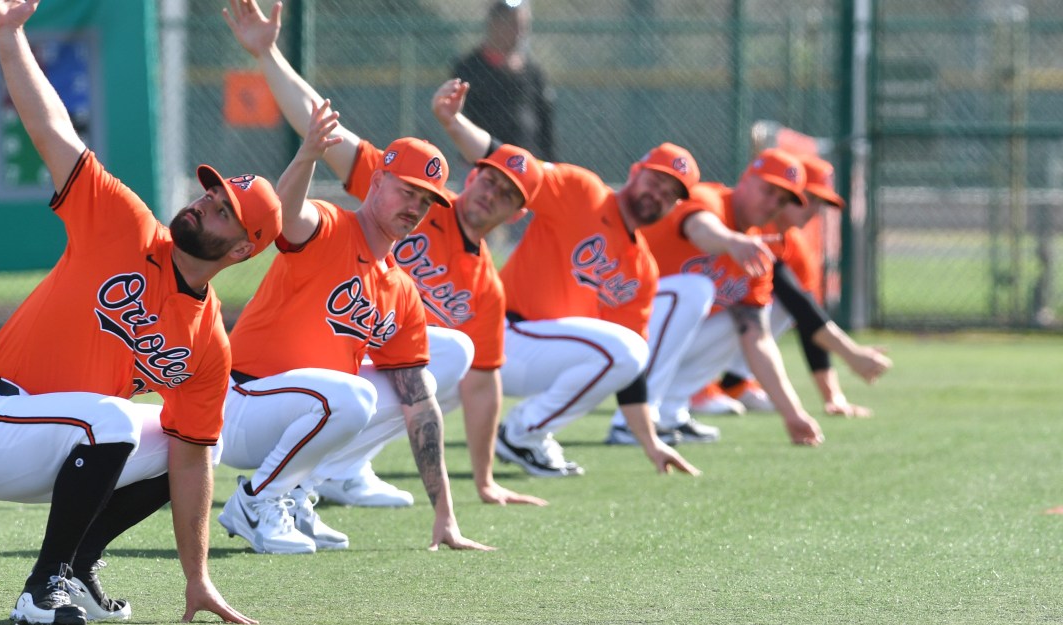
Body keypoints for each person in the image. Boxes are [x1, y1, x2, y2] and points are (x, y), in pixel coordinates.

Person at [0, 2, 279, 624]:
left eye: (223, 210)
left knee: (202, 440)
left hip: (64, 443)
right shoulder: (123, 224)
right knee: (114, 421)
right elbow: (51, 129)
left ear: (243, 250)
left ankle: (75, 566)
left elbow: (192, 458)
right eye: (210, 193)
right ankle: (40, 591)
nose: (204, 204)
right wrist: (10, 34)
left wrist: (197, 578)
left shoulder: (207, 341)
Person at [220, 2, 551, 507]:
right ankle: (303, 474)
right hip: (298, 359)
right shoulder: (397, 184)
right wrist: (267, 55)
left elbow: (481, 387)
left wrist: (482, 480)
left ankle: (340, 468)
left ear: (517, 214)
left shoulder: (483, 283)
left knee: (451, 356)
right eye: (490, 178)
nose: (491, 193)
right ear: (474, 170)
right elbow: (320, 126)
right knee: (399, 363)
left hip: (365, 345)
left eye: (508, 195)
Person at [430, 80, 701, 478]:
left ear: (676, 206)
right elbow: (505, 163)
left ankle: (528, 433)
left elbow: (629, 371)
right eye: (655, 180)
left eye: (670, 192)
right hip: (501, 333)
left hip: (535, 360)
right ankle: (523, 434)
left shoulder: (642, 269)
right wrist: (453, 123)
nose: (658, 193)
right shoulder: (581, 192)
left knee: (629, 353)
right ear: (635, 171)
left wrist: (650, 442)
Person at [605, 149, 826, 448]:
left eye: (783, 200)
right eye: (769, 190)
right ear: (746, 180)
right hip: (611, 317)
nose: (774, 203)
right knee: (696, 291)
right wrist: (730, 241)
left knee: (748, 322)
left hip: (647, 332)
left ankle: (669, 411)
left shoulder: (754, 252)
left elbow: (758, 340)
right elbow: (699, 228)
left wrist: (793, 414)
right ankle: (632, 421)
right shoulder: (711, 200)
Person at [691, 154, 892, 418]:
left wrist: (833, 397)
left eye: (820, 203)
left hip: (697, 324)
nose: (813, 210)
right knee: (698, 293)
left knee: (770, 308)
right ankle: (695, 389)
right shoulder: (722, 208)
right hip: (660, 317)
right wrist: (851, 353)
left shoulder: (791, 245)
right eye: (809, 199)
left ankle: (735, 383)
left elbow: (806, 313)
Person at [452, 0, 554, 161]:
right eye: (513, 24)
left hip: (526, 165)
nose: (520, 32)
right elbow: (460, 118)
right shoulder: (469, 67)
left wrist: (550, 160)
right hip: (482, 164)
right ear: (494, 24)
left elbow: (545, 121)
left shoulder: (532, 71)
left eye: (523, 25)